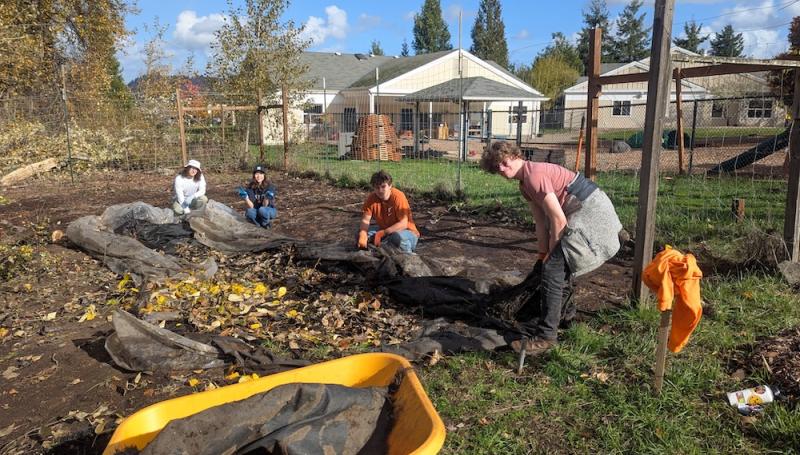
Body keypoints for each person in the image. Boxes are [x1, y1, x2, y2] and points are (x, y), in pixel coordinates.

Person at [480, 141, 622, 355]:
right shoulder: (525, 184)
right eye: (495, 166)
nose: (500, 168)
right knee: (552, 266)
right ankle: (566, 316)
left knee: (554, 270)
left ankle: (546, 337)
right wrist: (542, 255)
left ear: (515, 155)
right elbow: (541, 222)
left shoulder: (534, 175)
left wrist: (552, 256)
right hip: (582, 211)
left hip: (593, 213)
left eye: (503, 161)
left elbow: (557, 219)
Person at [356, 170, 420, 253]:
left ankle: (408, 255)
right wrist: (363, 233)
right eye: (377, 187)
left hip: (407, 232)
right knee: (359, 235)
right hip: (385, 230)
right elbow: (365, 220)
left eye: (383, 186)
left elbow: (403, 224)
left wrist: (383, 233)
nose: (380, 190)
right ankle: (378, 250)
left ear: (390, 186)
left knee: (395, 238)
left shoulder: (398, 197)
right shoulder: (371, 198)